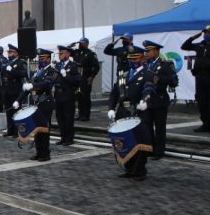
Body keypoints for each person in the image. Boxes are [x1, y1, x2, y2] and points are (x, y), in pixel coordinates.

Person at [107, 46, 156, 179]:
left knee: (139, 142)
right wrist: (111, 108)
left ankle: (140, 170)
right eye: (130, 59)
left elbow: (149, 89)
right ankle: (129, 168)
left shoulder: (148, 73)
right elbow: (115, 93)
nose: (132, 61)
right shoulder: (123, 75)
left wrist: (145, 101)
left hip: (138, 112)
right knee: (125, 141)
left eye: (135, 58)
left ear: (142, 58)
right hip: (123, 112)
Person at [16, 48, 57, 161]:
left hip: (45, 103)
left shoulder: (52, 71)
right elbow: (28, 88)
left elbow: (47, 84)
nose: (41, 60)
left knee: (44, 129)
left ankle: (45, 153)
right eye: (39, 58)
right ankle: (39, 152)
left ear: (49, 59)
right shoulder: (38, 72)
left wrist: (34, 86)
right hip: (36, 104)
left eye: (43, 58)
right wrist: (18, 100)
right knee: (37, 129)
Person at [143, 40, 178, 159]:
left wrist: (159, 78)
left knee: (159, 127)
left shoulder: (166, 64)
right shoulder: (144, 65)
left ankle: (159, 151)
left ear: (156, 51)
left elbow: (174, 81)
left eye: (149, 51)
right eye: (145, 51)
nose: (146, 53)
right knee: (147, 126)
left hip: (159, 98)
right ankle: (150, 148)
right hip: (146, 100)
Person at [180, 24, 210, 132]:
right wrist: (192, 38)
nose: (207, 35)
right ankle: (206, 124)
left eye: (209, 33)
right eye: (206, 33)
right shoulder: (200, 46)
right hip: (200, 77)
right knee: (202, 101)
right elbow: (184, 46)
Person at [54, 45, 82, 145]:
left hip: (68, 94)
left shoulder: (74, 65)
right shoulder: (57, 65)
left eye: (62, 53)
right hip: (58, 94)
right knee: (60, 117)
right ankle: (63, 137)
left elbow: (78, 80)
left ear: (68, 54)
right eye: (59, 53)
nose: (60, 55)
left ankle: (69, 138)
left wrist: (66, 76)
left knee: (68, 117)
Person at [1, 44, 28, 138]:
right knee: (8, 112)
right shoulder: (7, 62)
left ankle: (17, 132)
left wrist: (12, 70)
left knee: (16, 112)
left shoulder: (21, 62)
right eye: (8, 52)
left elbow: (23, 74)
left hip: (16, 90)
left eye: (11, 52)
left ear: (16, 53)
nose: (9, 53)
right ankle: (10, 130)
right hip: (7, 90)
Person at [72, 38, 100, 121]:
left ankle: (86, 115)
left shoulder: (91, 54)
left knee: (86, 97)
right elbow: (66, 51)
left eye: (82, 43)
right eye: (80, 43)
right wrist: (71, 44)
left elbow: (96, 67)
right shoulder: (76, 52)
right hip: (77, 78)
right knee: (79, 97)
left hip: (86, 77)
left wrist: (92, 76)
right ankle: (80, 115)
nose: (80, 44)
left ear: (87, 44)